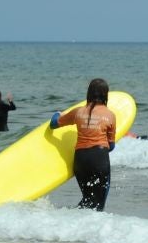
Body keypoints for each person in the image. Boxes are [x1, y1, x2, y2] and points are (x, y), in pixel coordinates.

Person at [50, 78, 116, 211]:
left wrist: (57, 113)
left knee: (87, 199)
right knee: (98, 203)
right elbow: (111, 146)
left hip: (80, 160)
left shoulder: (78, 112)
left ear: (89, 93)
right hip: (99, 159)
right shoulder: (110, 115)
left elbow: (54, 124)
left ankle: (71, 222)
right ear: (106, 94)